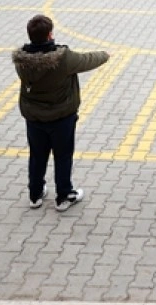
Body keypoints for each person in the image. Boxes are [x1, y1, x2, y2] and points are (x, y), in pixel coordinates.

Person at [12, 14, 110, 211]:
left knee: (37, 155)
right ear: (50, 35)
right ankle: (64, 195)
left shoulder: (21, 60)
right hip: (61, 116)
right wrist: (105, 55)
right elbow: (87, 60)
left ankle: (35, 194)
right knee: (63, 156)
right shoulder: (62, 58)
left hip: (34, 115)